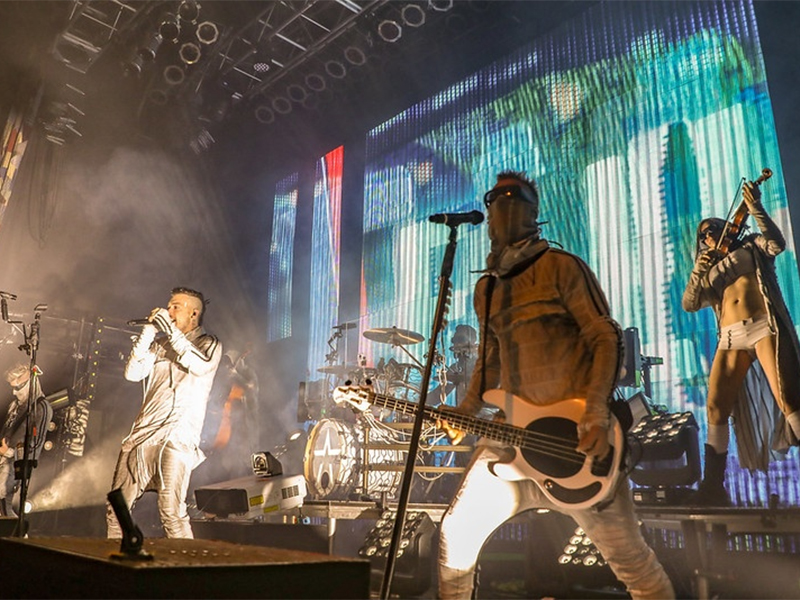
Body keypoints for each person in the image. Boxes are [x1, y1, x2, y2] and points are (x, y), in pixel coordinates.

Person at [437, 171, 674, 599]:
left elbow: (605, 336)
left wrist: (596, 410)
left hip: (577, 445)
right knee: (455, 538)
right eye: (497, 204)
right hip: (512, 442)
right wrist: (468, 408)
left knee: (631, 562)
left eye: (515, 201)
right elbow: (490, 359)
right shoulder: (486, 289)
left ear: (532, 214)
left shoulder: (563, 268)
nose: (503, 213)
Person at [682, 181, 800, 505]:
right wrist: (698, 271)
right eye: (703, 234)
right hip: (730, 338)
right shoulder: (709, 270)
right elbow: (690, 303)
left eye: (715, 229)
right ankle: (713, 488)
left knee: (789, 400)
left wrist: (756, 209)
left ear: (728, 228)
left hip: (763, 326)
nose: (709, 235)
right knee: (715, 407)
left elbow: (777, 243)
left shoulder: (750, 247)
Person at [106, 287, 222, 539]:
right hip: (141, 436)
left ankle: (185, 573)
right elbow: (133, 373)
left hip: (176, 438)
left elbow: (200, 365)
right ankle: (114, 565)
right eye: (169, 306)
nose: (169, 311)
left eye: (175, 306)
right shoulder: (159, 345)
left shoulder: (209, 343)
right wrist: (149, 332)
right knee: (116, 508)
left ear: (194, 313)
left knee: (171, 512)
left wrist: (169, 331)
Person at [0, 363, 52, 517]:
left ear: (30, 383)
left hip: (15, 466)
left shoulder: (41, 407)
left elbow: (36, 444)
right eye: (12, 387)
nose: (14, 392)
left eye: (18, 387)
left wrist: (9, 452)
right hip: (3, 461)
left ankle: (19, 538)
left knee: (5, 507)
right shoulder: (15, 405)